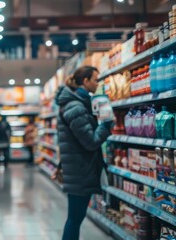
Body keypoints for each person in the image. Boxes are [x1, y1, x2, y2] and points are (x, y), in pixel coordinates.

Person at [54, 66, 113, 240]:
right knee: (75, 218)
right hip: (80, 171)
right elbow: (90, 142)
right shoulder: (76, 107)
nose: (98, 83)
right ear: (85, 81)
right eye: (95, 79)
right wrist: (106, 125)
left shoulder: (77, 104)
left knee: (75, 218)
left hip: (78, 169)